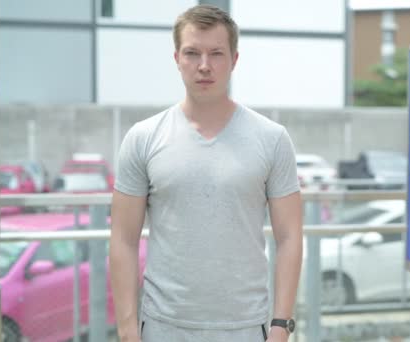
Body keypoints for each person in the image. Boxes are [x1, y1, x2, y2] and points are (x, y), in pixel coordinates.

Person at [109, 5, 303, 342]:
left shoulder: (272, 138)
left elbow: (290, 237)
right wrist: (127, 330)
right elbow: (123, 239)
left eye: (216, 53)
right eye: (192, 53)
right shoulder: (143, 137)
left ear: (234, 59)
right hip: (162, 327)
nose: (204, 65)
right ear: (176, 58)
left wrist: (280, 326)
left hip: (246, 328)